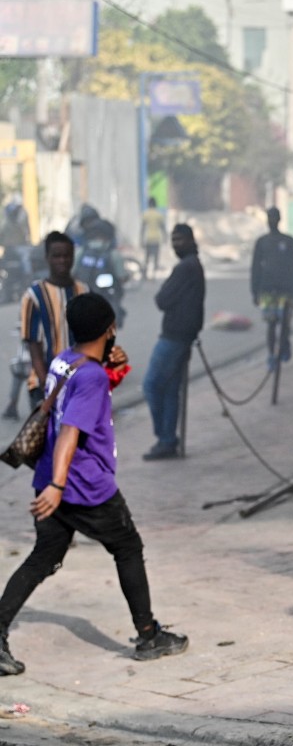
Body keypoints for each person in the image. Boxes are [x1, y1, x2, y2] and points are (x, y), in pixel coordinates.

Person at [0, 293, 188, 677]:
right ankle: (149, 636)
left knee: (43, 557)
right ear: (110, 328)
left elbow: (82, 401)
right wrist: (57, 485)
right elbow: (71, 430)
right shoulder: (91, 374)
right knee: (127, 546)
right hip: (82, 484)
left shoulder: (65, 361)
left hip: (54, 479)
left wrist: (51, 484)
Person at [142, 225, 205, 461]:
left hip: (175, 337)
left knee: (152, 385)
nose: (176, 244)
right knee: (169, 390)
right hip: (182, 335)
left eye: (180, 240)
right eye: (173, 240)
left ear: (190, 240)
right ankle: (167, 440)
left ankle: (165, 437)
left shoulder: (185, 267)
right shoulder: (193, 265)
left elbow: (162, 299)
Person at [13, 232, 89, 416]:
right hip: (44, 384)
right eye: (57, 256)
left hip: (78, 381)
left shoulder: (83, 291)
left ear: (73, 256)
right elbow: (33, 345)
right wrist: (48, 388)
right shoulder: (34, 296)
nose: (62, 260)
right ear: (47, 258)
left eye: (67, 255)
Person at [251, 207, 293, 367]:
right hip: (267, 290)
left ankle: (284, 346)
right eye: (269, 217)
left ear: (279, 219)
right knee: (271, 324)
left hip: (285, 290)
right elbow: (256, 268)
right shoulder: (261, 242)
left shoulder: (289, 241)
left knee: (285, 323)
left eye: (274, 217)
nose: (271, 220)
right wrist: (254, 291)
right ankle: (271, 355)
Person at [141, 196, 167, 280]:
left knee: (147, 257)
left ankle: (145, 274)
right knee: (155, 257)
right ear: (155, 204)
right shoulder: (158, 215)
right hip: (156, 238)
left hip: (148, 238)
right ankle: (153, 275)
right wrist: (165, 237)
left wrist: (141, 239)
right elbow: (162, 228)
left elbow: (143, 228)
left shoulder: (146, 214)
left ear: (149, 204)